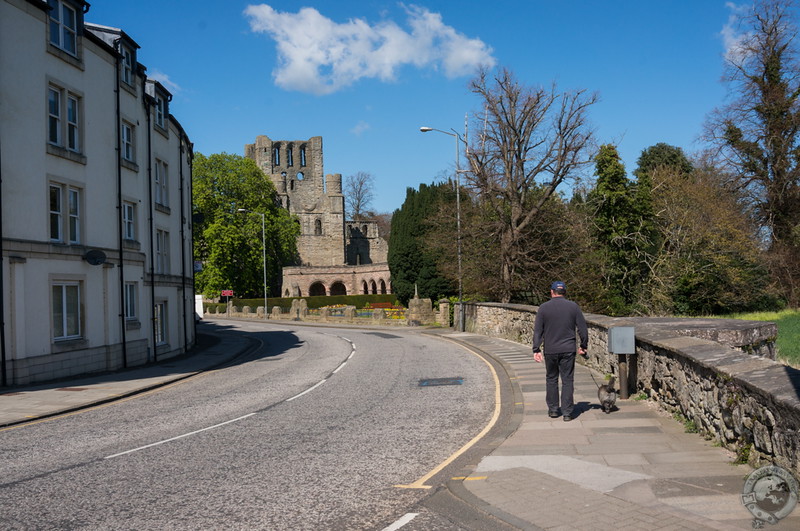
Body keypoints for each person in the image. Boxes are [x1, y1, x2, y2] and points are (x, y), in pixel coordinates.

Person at [532, 281, 588, 422]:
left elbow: (538, 331)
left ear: (552, 292)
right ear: (565, 292)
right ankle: (568, 412)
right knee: (567, 380)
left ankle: (553, 410)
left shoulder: (544, 308)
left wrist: (536, 348)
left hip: (550, 350)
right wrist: (583, 345)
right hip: (568, 349)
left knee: (551, 379)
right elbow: (582, 328)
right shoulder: (573, 307)